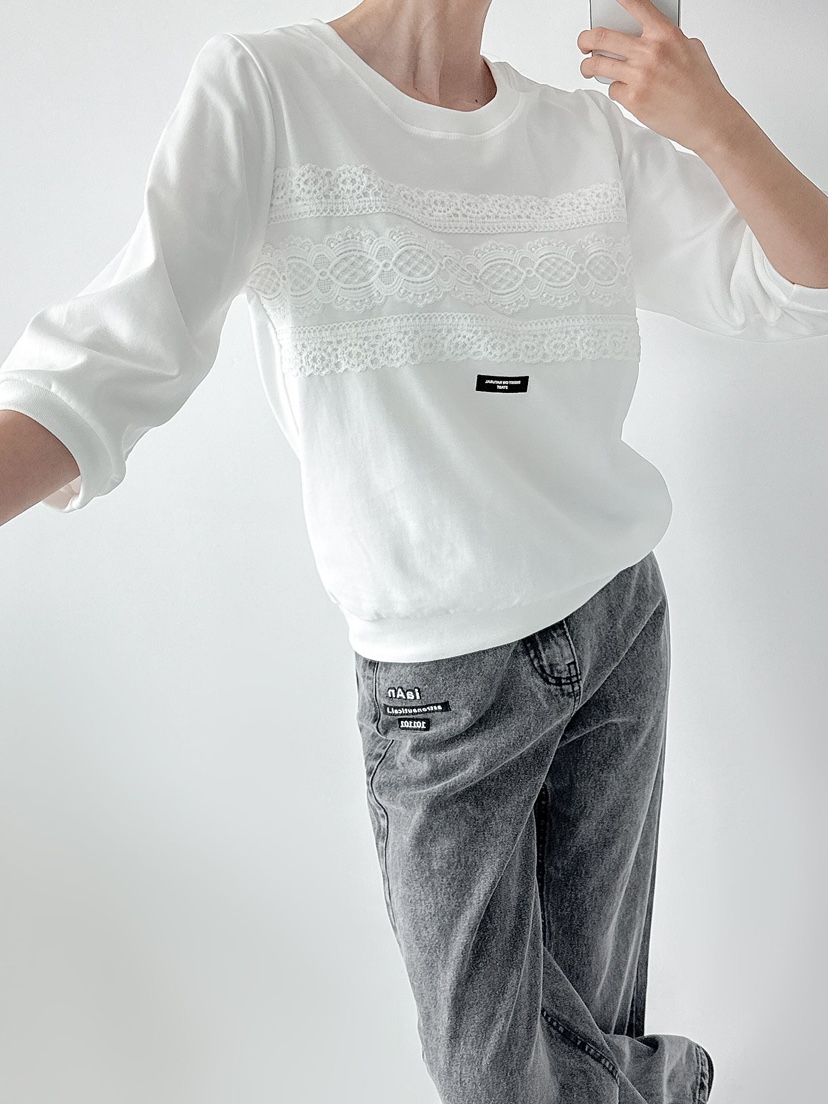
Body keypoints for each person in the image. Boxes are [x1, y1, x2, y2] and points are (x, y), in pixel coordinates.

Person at [4, 1, 828, 1099]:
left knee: (581, 1029)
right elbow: (114, 360)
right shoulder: (268, 88)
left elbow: (807, 285)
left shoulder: (584, 135)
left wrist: (714, 119)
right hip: (440, 682)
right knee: (495, 1073)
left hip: (615, 618)